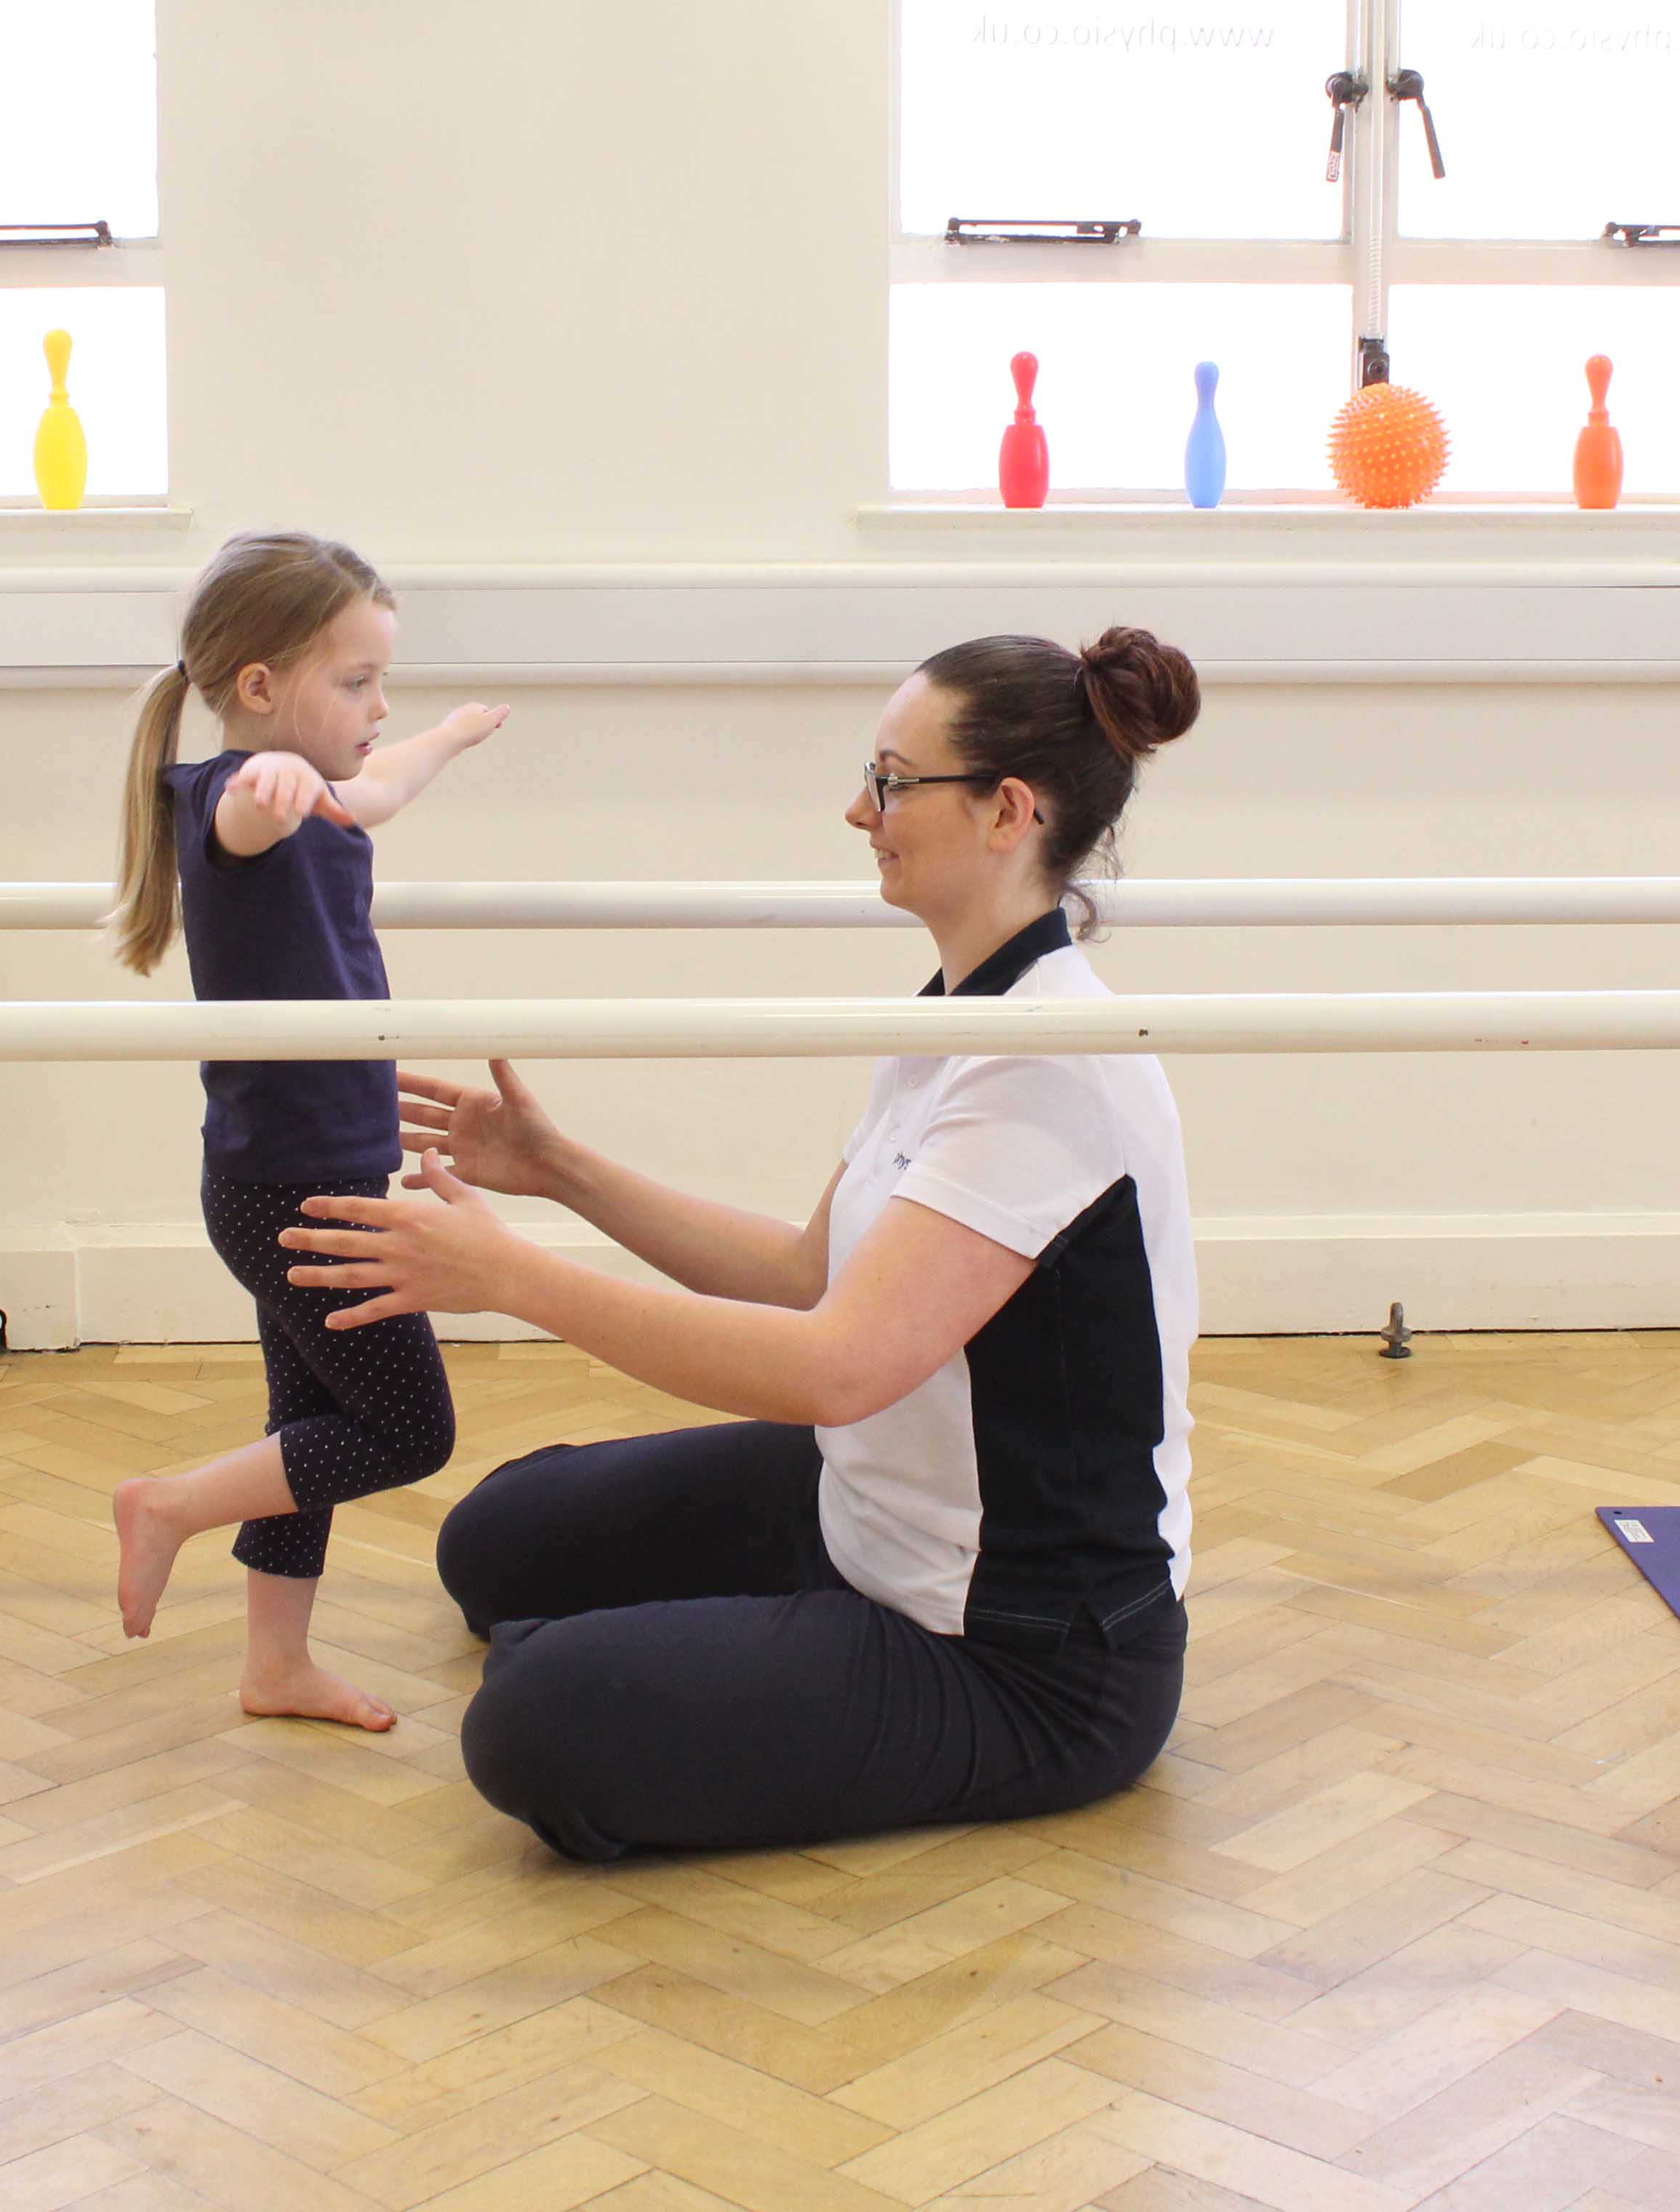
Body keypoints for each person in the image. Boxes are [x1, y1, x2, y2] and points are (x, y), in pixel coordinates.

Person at [278, 628, 1203, 1856]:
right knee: (494, 1547)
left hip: (1025, 1656)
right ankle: (706, 1651)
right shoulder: (962, 1013)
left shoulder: (1046, 1066)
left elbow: (832, 1367)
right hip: (861, 1507)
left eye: (889, 782)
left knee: (534, 1723)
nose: (855, 811)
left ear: (1007, 813)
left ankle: (682, 1667)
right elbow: (805, 1275)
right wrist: (562, 1175)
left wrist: (517, 1281)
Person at [106, 530, 509, 1732]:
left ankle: (274, 1667)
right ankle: (171, 1504)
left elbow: (372, 791)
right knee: (407, 1428)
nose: (380, 706)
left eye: (385, 682)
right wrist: (267, 785)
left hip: (304, 1172)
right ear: (260, 690)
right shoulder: (235, 798)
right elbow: (248, 811)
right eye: (356, 683)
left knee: (310, 1427)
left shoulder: (324, 792)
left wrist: (443, 738)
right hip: (293, 1189)